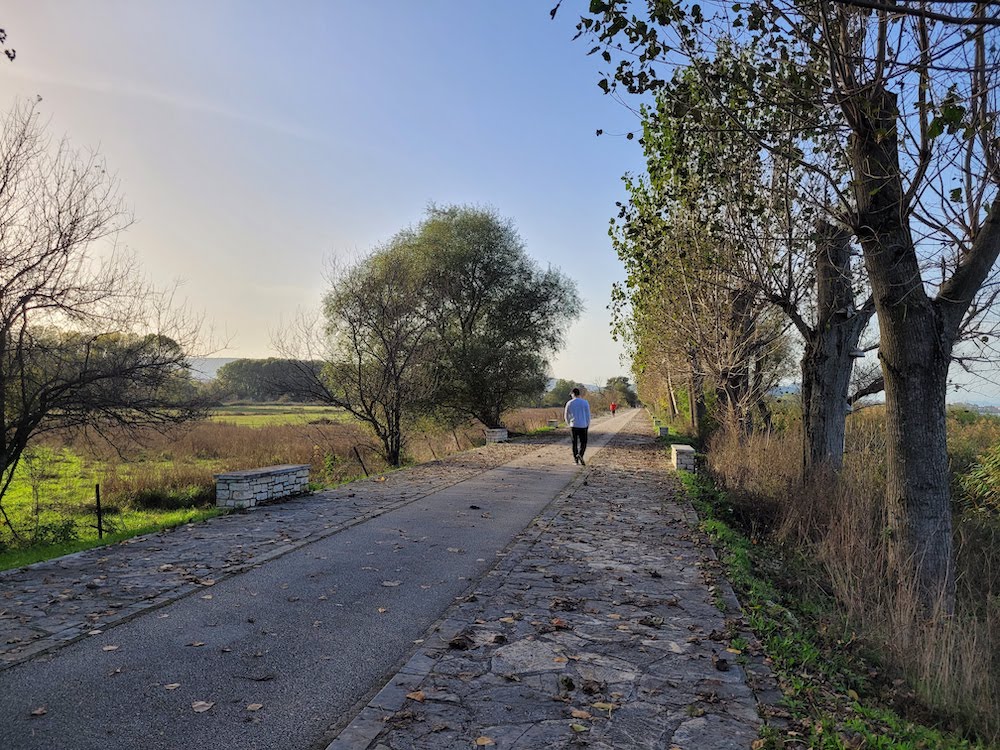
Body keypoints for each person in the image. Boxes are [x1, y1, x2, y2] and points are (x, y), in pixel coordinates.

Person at [564, 387, 591, 466]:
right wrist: (587, 424)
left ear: (573, 394)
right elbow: (588, 415)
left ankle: (576, 460)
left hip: (574, 425)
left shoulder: (569, 403)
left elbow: (566, 415)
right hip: (583, 425)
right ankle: (581, 454)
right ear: (579, 394)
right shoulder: (585, 402)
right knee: (584, 442)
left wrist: (569, 423)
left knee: (574, 443)